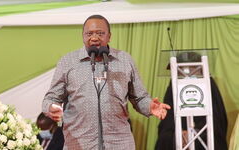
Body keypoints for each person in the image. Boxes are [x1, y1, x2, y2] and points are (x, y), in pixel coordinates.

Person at [42, 14, 171, 150]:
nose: (94, 38)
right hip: (79, 144)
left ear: (109, 36)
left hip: (119, 143)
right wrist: (51, 107)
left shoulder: (124, 60)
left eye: (100, 33)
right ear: (83, 36)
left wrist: (149, 106)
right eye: (89, 33)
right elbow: (50, 98)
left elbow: (139, 97)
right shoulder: (68, 62)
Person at [155, 52, 228, 150]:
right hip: (177, 134)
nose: (180, 72)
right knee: (165, 138)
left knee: (213, 138)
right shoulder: (174, 84)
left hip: (204, 133)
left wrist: (194, 133)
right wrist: (179, 133)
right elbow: (168, 116)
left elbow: (217, 118)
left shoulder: (208, 84)